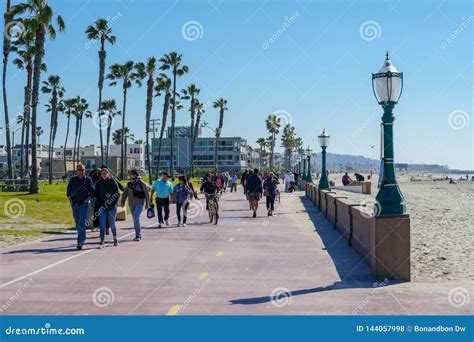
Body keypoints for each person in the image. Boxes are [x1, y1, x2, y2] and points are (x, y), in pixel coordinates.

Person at [66, 163, 93, 250]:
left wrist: (87, 199)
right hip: (74, 204)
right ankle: (81, 237)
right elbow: (68, 193)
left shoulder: (88, 180)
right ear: (77, 171)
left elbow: (92, 192)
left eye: (82, 169)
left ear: (85, 170)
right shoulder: (73, 180)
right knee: (77, 223)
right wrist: (71, 202)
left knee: (81, 222)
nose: (81, 171)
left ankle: (80, 242)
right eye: (79, 169)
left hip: (84, 204)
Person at [94, 167, 121, 248]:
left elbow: (117, 193)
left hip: (112, 207)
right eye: (102, 173)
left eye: (105, 173)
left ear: (108, 174)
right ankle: (102, 241)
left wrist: (113, 203)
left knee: (112, 224)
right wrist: (99, 204)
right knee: (102, 224)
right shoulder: (98, 183)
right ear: (100, 174)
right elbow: (96, 195)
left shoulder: (112, 182)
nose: (104, 175)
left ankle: (115, 238)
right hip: (102, 208)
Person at [121, 168, 150, 241]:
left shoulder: (141, 183)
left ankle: (138, 235)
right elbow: (125, 193)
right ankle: (137, 234)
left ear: (135, 175)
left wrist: (147, 203)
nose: (129, 175)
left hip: (140, 203)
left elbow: (146, 193)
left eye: (130, 174)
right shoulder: (129, 183)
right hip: (131, 204)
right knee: (135, 219)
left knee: (136, 217)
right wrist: (123, 202)